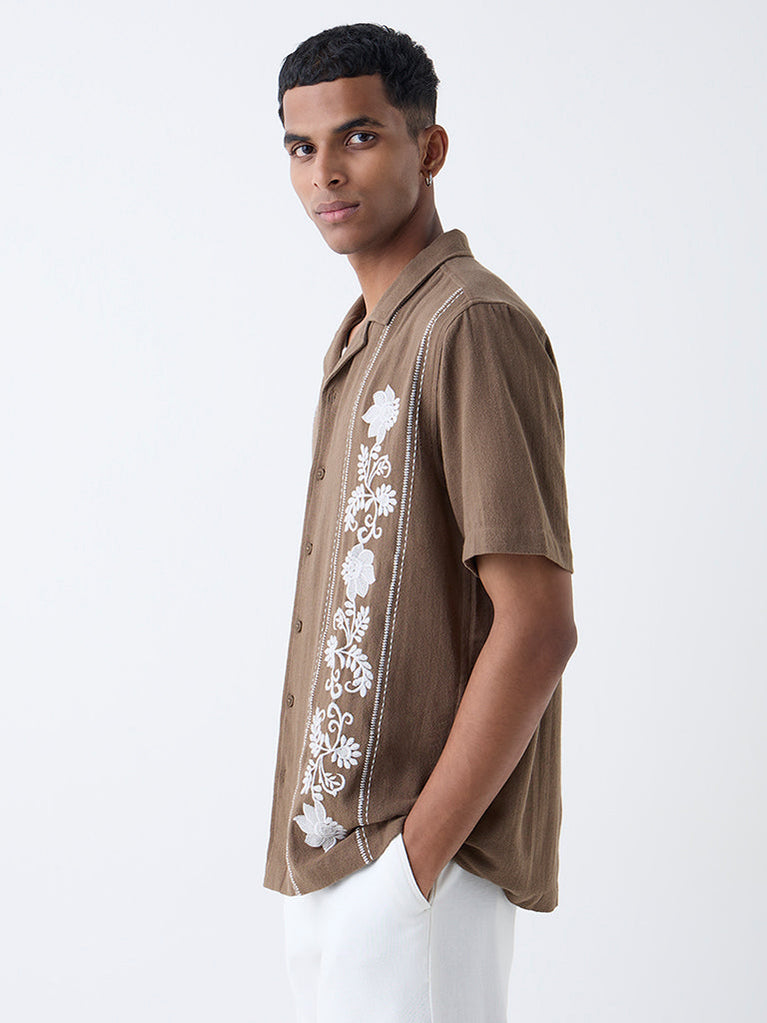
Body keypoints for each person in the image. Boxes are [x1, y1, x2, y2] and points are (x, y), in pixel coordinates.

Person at [263, 23, 578, 1023]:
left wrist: (412, 864)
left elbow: (536, 625)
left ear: (428, 147)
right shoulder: (367, 339)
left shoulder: (467, 324)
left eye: (358, 137)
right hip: (332, 861)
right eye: (301, 147)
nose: (325, 173)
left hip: (414, 868)